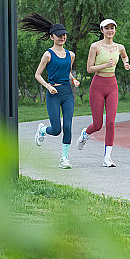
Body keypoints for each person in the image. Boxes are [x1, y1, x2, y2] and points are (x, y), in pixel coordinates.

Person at [20, 13, 80, 169]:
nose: (62, 38)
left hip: (67, 94)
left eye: (64, 35)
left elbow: (67, 72)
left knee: (67, 126)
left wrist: (73, 80)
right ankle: (42, 130)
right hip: (53, 94)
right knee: (56, 130)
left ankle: (64, 159)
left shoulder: (70, 55)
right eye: (59, 35)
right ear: (52, 37)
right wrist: (48, 86)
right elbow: (37, 75)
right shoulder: (48, 55)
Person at [77, 18, 130, 167]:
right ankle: (85, 134)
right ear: (102, 31)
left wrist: (126, 62)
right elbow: (89, 69)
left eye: (112, 28)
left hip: (112, 85)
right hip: (98, 86)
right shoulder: (95, 47)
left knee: (111, 122)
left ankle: (107, 157)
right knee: (98, 124)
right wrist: (105, 65)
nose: (110, 31)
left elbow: (125, 56)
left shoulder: (120, 47)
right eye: (107, 28)